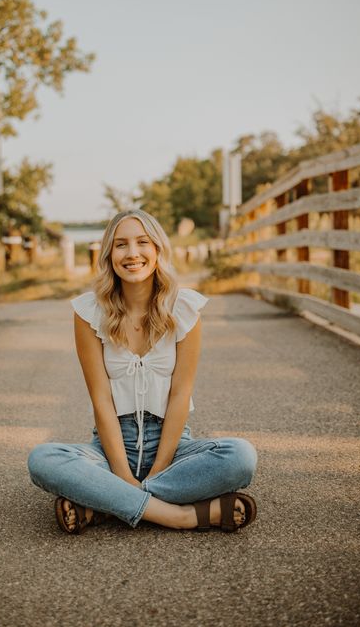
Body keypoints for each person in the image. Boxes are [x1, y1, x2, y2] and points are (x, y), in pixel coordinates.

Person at [28, 210, 258, 534]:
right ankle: (183, 516)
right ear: (109, 254)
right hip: (109, 450)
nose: (132, 253)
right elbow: (101, 400)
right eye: (121, 244)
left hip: (173, 447)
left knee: (241, 457)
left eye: (142, 242)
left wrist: (157, 471)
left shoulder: (185, 309)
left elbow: (180, 395)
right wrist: (121, 473)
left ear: (157, 249)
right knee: (42, 460)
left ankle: (103, 504)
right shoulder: (88, 313)